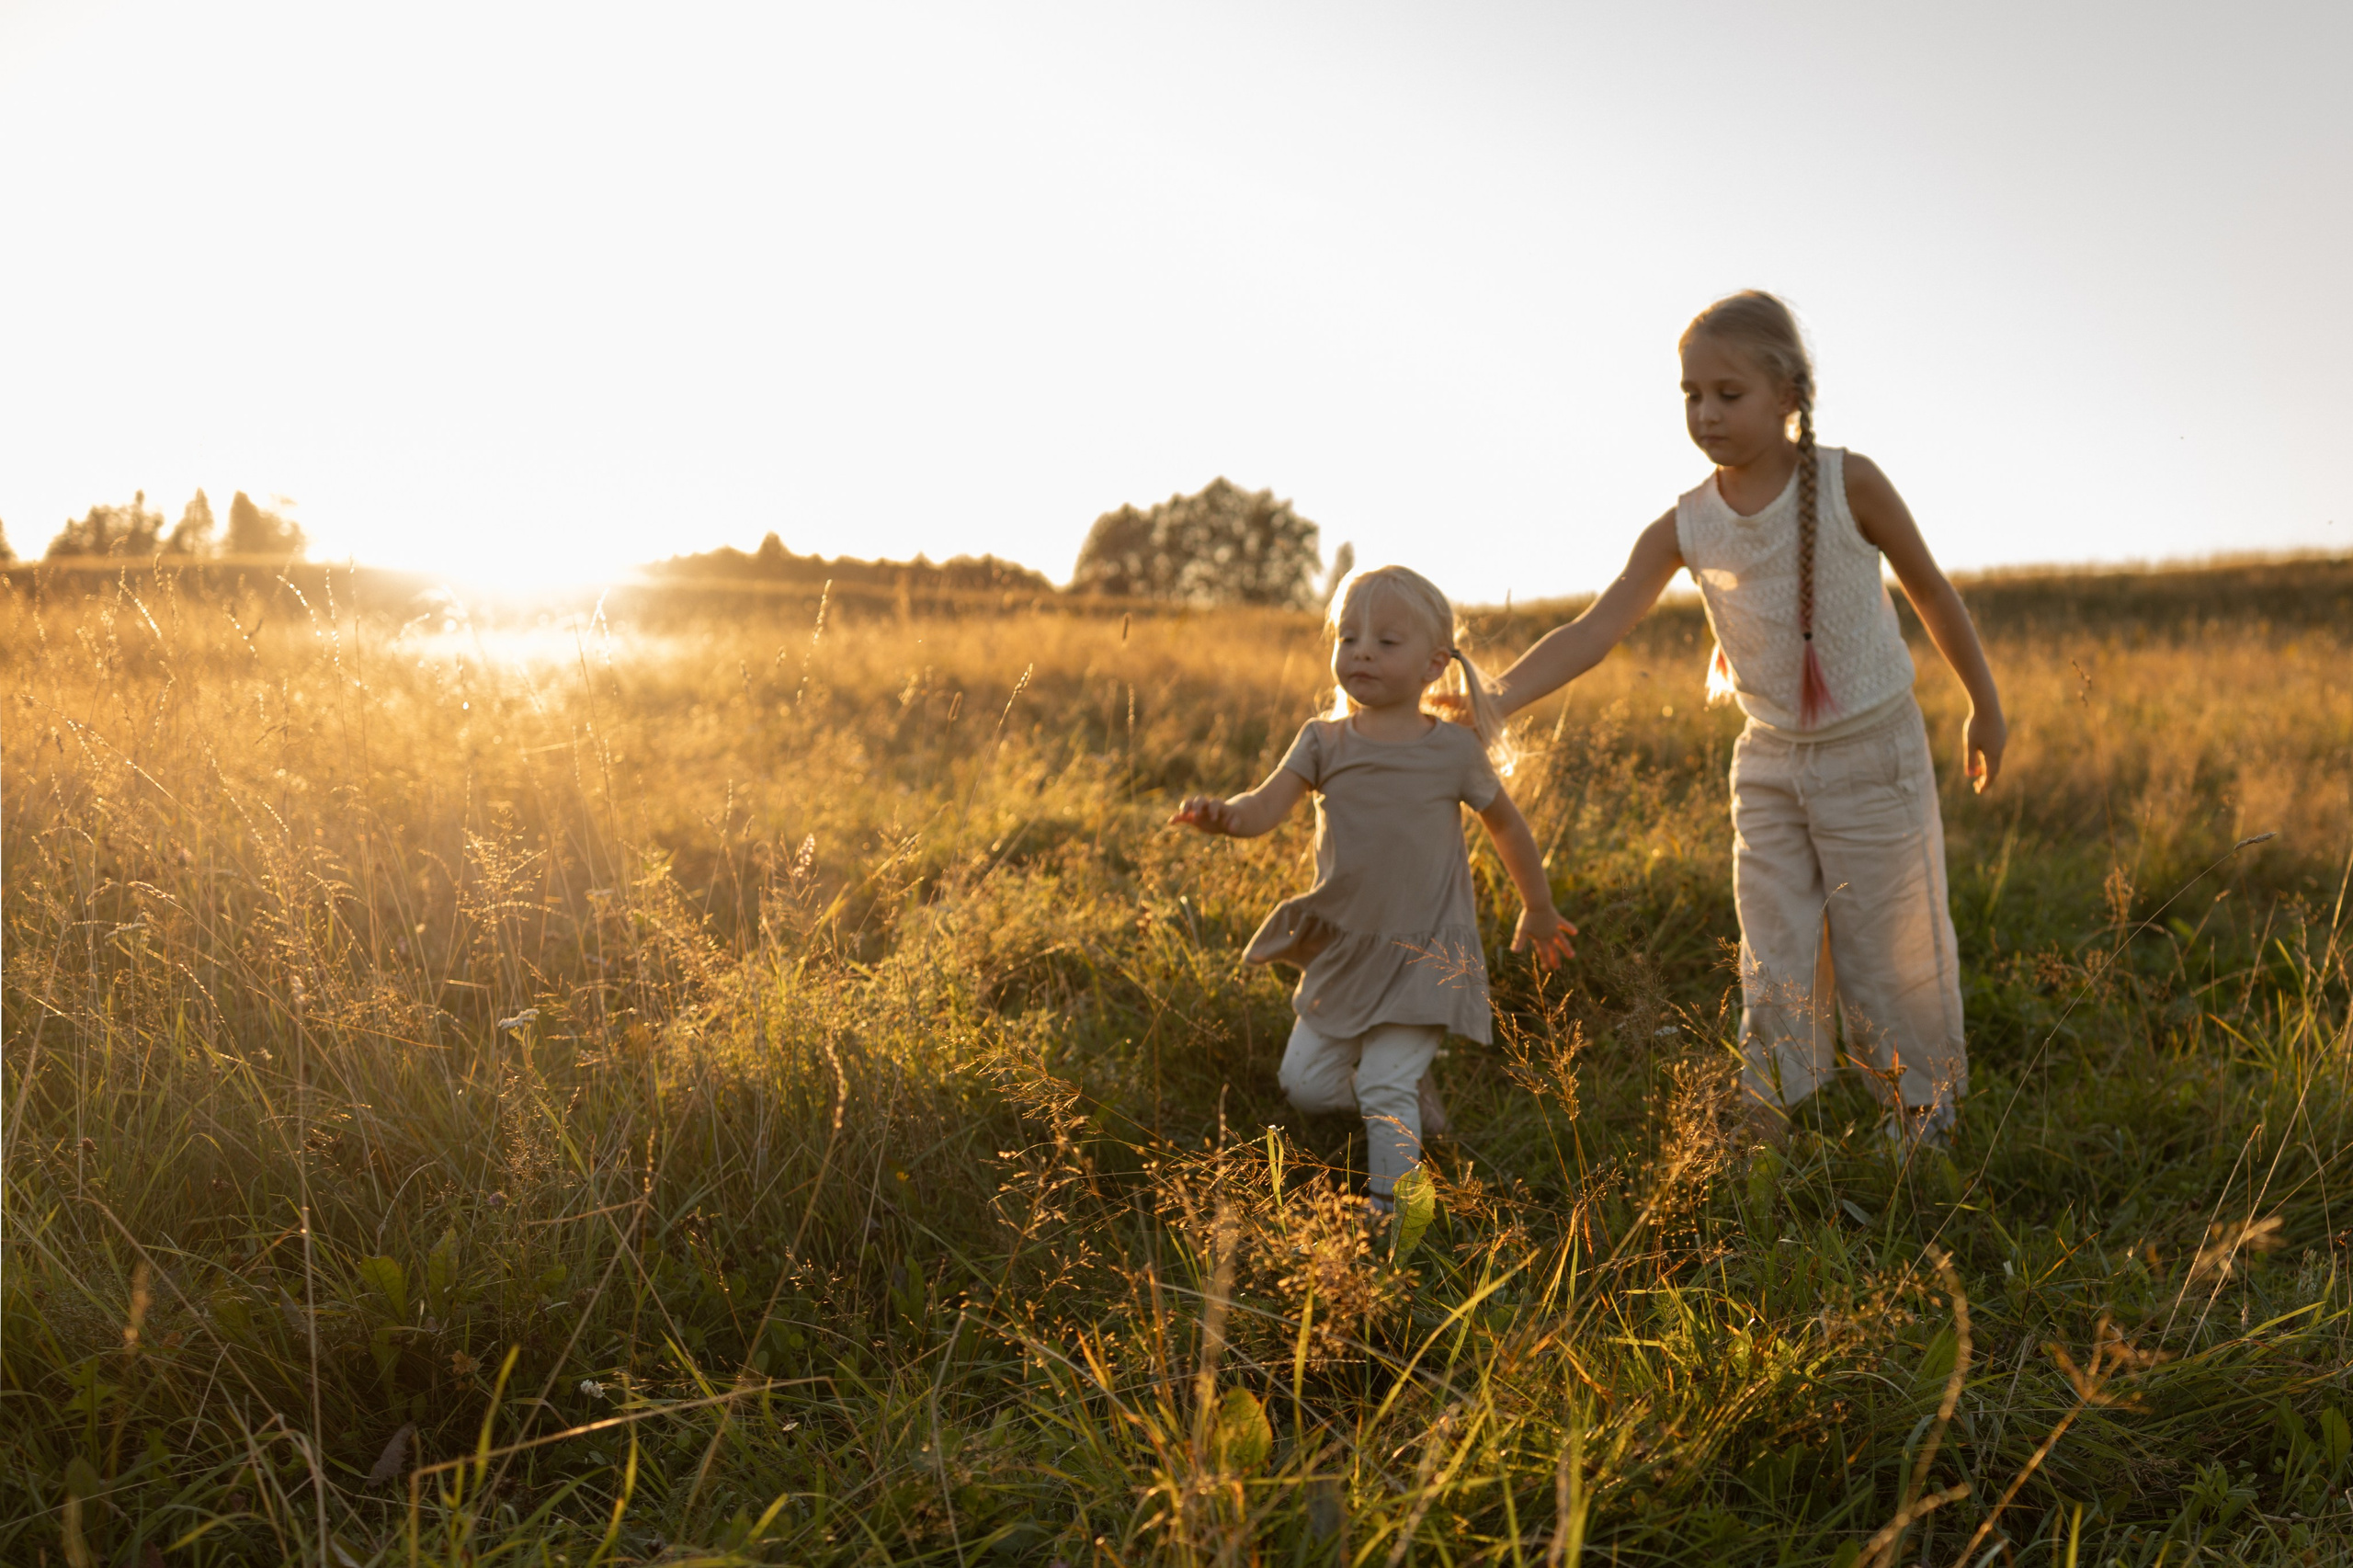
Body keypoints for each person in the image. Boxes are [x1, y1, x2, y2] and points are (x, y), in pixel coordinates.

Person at [1489, 290, 2005, 1151]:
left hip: (1874, 754)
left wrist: (1985, 706)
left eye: (1728, 394)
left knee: (1889, 940)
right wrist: (1493, 697)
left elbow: (1932, 593)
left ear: (1787, 395)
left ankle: (1922, 1114)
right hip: (1767, 763)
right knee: (1773, 947)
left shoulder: (1851, 483)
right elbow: (1595, 629)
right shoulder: (1687, 524)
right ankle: (1768, 1110)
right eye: (1691, 394)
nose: (1705, 413)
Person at [1173, 565, 1576, 1212]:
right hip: (1347, 950)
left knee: (1384, 1084)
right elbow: (1261, 808)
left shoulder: (1452, 750)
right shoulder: (1322, 742)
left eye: (1387, 642)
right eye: (1349, 636)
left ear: (1432, 665)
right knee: (1303, 1084)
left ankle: (1394, 1211)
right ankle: (1411, 1096)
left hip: (1425, 952)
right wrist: (1224, 816)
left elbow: (1507, 825)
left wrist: (1538, 905)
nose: (1361, 651)